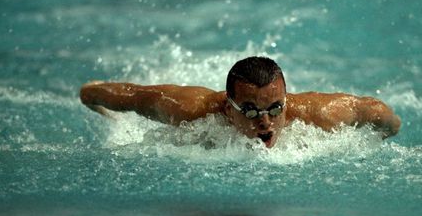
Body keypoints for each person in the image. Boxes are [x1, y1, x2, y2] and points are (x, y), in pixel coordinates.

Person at [80, 56, 400, 148]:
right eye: (249, 110)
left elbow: (377, 113)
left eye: (275, 108)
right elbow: (131, 96)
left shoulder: (318, 115)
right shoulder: (189, 110)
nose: (265, 121)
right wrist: (94, 97)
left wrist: (375, 140)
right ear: (227, 107)